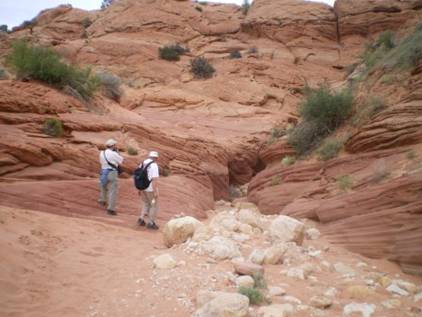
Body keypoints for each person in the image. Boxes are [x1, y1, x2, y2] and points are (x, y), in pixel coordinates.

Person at [98, 139, 124, 215]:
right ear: (113, 146)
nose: (116, 146)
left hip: (103, 171)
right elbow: (121, 161)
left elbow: (101, 162)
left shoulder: (101, 153)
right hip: (112, 172)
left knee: (103, 186)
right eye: (115, 145)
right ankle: (111, 209)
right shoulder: (113, 154)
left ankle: (102, 200)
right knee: (113, 190)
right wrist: (118, 152)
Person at [137, 151, 160, 229]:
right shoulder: (154, 165)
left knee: (145, 203)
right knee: (153, 205)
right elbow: (155, 179)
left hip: (143, 187)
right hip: (150, 189)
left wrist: (139, 188)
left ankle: (141, 219)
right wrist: (155, 191)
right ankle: (151, 223)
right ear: (156, 158)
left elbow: (138, 177)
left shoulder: (142, 163)